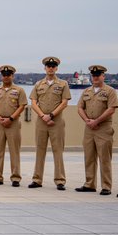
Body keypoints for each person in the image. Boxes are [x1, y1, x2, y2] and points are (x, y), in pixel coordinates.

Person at [76, 64, 118, 195]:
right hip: (89, 128)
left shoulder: (110, 91)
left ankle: (106, 186)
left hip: (103, 127)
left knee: (104, 158)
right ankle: (90, 184)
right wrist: (87, 120)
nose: (95, 77)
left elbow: (111, 109)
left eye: (98, 75)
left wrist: (97, 121)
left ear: (103, 76)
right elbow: (80, 108)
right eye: (93, 75)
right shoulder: (86, 91)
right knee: (89, 157)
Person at [30, 56, 71, 190]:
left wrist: (52, 115)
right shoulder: (38, 84)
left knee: (58, 150)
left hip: (56, 121)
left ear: (56, 68)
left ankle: (60, 180)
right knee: (39, 150)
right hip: (41, 121)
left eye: (53, 66)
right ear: (45, 68)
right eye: (48, 66)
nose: (51, 68)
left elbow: (64, 102)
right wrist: (43, 115)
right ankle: (37, 179)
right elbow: (34, 102)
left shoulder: (63, 84)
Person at [0, 65, 27, 187]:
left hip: (13, 123)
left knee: (14, 151)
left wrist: (11, 118)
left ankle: (15, 177)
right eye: (4, 75)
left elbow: (22, 106)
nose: (6, 77)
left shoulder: (19, 90)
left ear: (12, 76)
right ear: (1, 76)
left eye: (8, 75)